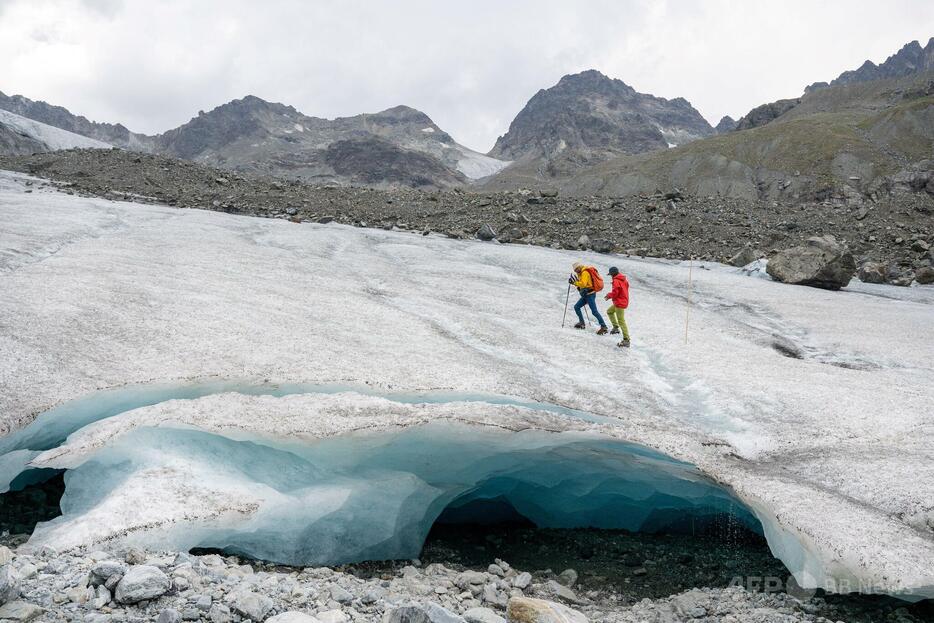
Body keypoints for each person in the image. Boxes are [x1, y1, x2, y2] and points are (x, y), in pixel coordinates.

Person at [569, 262, 608, 335]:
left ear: (579, 267)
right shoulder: (580, 273)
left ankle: (604, 326)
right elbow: (582, 284)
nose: (576, 271)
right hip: (586, 294)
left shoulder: (584, 273)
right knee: (576, 307)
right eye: (575, 270)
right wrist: (576, 284)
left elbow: (583, 284)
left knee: (594, 311)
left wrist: (574, 283)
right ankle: (582, 323)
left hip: (590, 295)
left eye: (576, 269)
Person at [604, 266, 631, 347]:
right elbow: (625, 288)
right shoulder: (624, 279)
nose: (610, 276)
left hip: (620, 302)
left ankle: (626, 340)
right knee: (609, 311)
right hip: (622, 300)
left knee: (621, 321)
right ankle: (615, 328)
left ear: (612, 274)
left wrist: (609, 295)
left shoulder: (616, 281)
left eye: (610, 275)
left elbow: (615, 293)